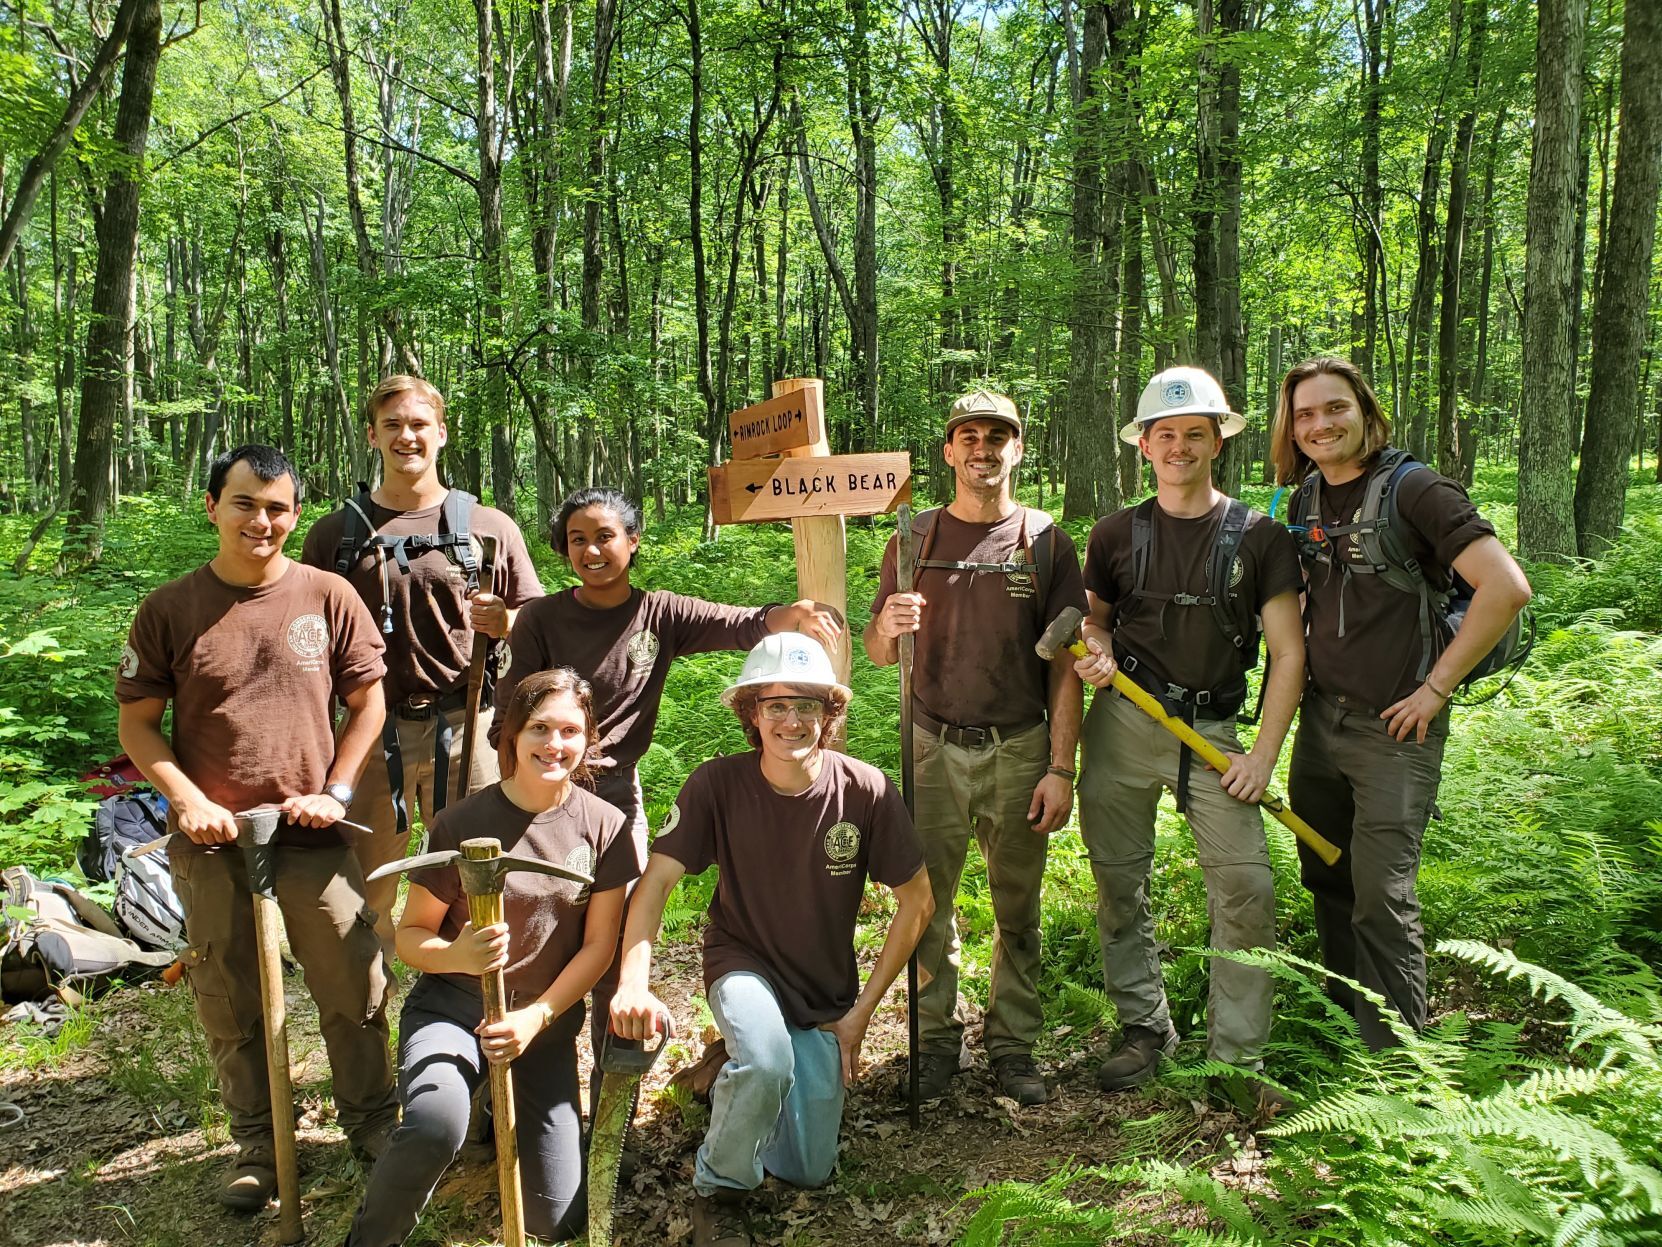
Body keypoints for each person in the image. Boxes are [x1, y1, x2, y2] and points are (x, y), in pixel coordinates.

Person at [492, 486, 842, 1104]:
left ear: (632, 541)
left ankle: (611, 1101)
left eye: (605, 536)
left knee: (617, 939)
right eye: (578, 539)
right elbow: (511, 720)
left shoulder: (660, 613)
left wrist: (799, 614)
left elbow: (742, 624)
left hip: (614, 802)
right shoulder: (542, 619)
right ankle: (524, 1096)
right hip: (543, 794)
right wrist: (516, 802)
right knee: (536, 940)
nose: (592, 550)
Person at [115, 444, 397, 1211]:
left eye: (277, 507)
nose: (261, 521)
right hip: (215, 844)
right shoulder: (170, 608)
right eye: (244, 503)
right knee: (229, 995)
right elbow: (138, 725)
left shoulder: (329, 594)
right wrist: (186, 800)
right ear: (212, 506)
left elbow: (368, 702)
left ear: (294, 515)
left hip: (312, 836)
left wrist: (337, 789)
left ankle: (373, 1123)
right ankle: (261, 1145)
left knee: (354, 980)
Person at [610, 634, 933, 1247]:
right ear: (751, 714)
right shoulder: (718, 785)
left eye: (807, 704)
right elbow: (654, 886)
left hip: (822, 992)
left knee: (807, 1169)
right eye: (775, 705)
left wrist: (860, 1017)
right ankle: (719, 1191)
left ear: (830, 714)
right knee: (765, 1058)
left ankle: (724, 1074)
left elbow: (919, 901)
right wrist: (633, 979)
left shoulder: (864, 790)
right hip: (742, 960)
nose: (792, 720)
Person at [1270, 357, 1532, 1049]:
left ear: (1364, 409)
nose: (1321, 424)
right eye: (1305, 415)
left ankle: (1396, 1067)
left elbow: (1506, 587)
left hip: (1395, 728)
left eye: (1335, 408)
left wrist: (1435, 689)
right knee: (1326, 873)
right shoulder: (1303, 499)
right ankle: (1343, 1023)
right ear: (1291, 429)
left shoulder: (1416, 489)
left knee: (1382, 897)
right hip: (1321, 720)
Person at [1072, 367, 1305, 1094]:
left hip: (1214, 733)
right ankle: (1145, 1026)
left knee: (1245, 890)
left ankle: (1238, 1059)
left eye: (1194, 434)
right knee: (1118, 880)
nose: (1179, 447)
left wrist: (1263, 754)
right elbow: (1092, 622)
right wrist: (1097, 650)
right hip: (1124, 722)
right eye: (1164, 434)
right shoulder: (1114, 534)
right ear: (1144, 445)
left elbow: (1289, 652)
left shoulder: (1262, 537)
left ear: (1217, 441)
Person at [347, 668, 637, 1245]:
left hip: (542, 1025)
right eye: (539, 728)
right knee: (434, 1125)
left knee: (555, 1221)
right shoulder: (463, 823)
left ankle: (492, 1107)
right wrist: (459, 952)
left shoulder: (604, 825)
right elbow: (411, 938)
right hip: (454, 1010)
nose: (554, 744)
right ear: (510, 734)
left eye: (570, 731)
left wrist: (535, 1018)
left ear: (588, 739)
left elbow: (601, 945)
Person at [864, 389, 1086, 1106]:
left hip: (1020, 746)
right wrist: (890, 624)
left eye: (997, 436)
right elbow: (873, 651)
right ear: (949, 451)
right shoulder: (915, 537)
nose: (983, 448)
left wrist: (1060, 766)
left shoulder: (1045, 540)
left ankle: (1013, 1042)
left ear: (1017, 449)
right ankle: (933, 1039)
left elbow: (1065, 665)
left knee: (1017, 905)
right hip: (930, 743)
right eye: (969, 436)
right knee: (927, 900)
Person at [302, 374, 543, 952]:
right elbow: (307, 635)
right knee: (360, 885)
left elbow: (539, 623)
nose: (406, 437)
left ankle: (471, 999)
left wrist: (506, 622)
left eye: (418, 425)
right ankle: (369, 1006)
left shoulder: (488, 528)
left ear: (441, 434)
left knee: (479, 873)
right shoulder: (336, 535)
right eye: (392, 426)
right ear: (371, 436)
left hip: (469, 726)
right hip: (370, 729)